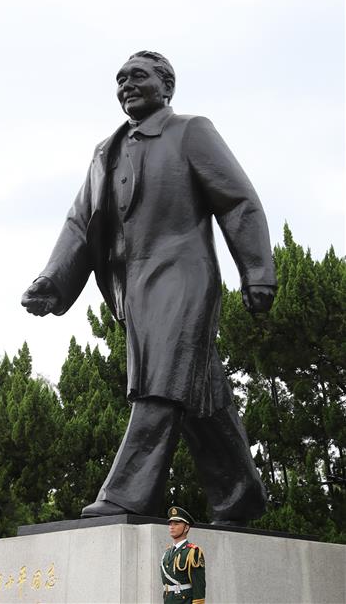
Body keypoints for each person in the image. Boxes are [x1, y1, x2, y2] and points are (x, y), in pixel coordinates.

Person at [21, 51, 275, 525]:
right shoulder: (105, 151)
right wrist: (52, 282)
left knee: (160, 381)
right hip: (132, 287)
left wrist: (257, 271)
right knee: (197, 388)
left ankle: (128, 494)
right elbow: (81, 223)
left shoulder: (190, 131)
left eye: (137, 76)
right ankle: (239, 491)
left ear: (167, 86)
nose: (125, 86)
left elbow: (238, 201)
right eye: (119, 80)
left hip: (183, 274)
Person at [162, 506, 206, 604]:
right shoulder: (167, 552)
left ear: (186, 528)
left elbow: (199, 585)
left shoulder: (192, 552)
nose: (171, 527)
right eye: (170, 524)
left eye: (176, 524)